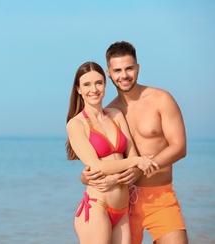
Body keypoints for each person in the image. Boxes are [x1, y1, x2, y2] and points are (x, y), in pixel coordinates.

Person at [80, 41, 188, 244]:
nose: (124, 75)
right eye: (117, 70)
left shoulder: (161, 99)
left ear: (137, 68)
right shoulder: (110, 113)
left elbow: (179, 147)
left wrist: (141, 169)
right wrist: (86, 176)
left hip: (159, 198)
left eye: (129, 68)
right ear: (109, 73)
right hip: (121, 200)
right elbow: (104, 158)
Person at [66, 61, 159, 244]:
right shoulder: (76, 125)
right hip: (96, 208)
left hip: (122, 210)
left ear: (105, 84)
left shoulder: (116, 115)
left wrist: (121, 173)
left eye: (99, 83)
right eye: (87, 84)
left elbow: (131, 156)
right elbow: (97, 166)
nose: (94, 89)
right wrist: (138, 161)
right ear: (78, 89)